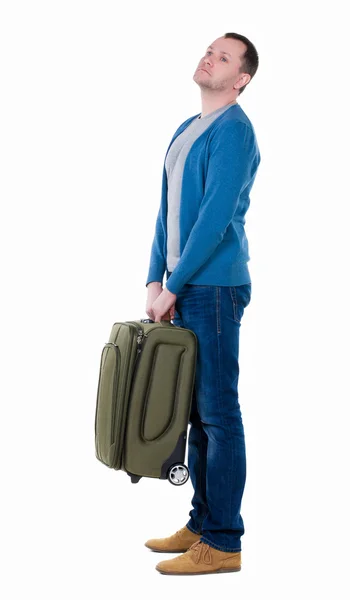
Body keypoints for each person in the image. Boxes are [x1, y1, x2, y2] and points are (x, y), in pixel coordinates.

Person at [144, 32, 261, 576]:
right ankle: (200, 523)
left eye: (224, 56)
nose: (208, 57)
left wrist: (176, 284)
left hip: (213, 288)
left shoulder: (235, 132)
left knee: (218, 414)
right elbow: (166, 211)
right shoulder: (187, 129)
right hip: (184, 286)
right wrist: (154, 278)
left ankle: (224, 541)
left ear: (240, 79)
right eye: (210, 49)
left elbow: (214, 222)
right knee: (194, 415)